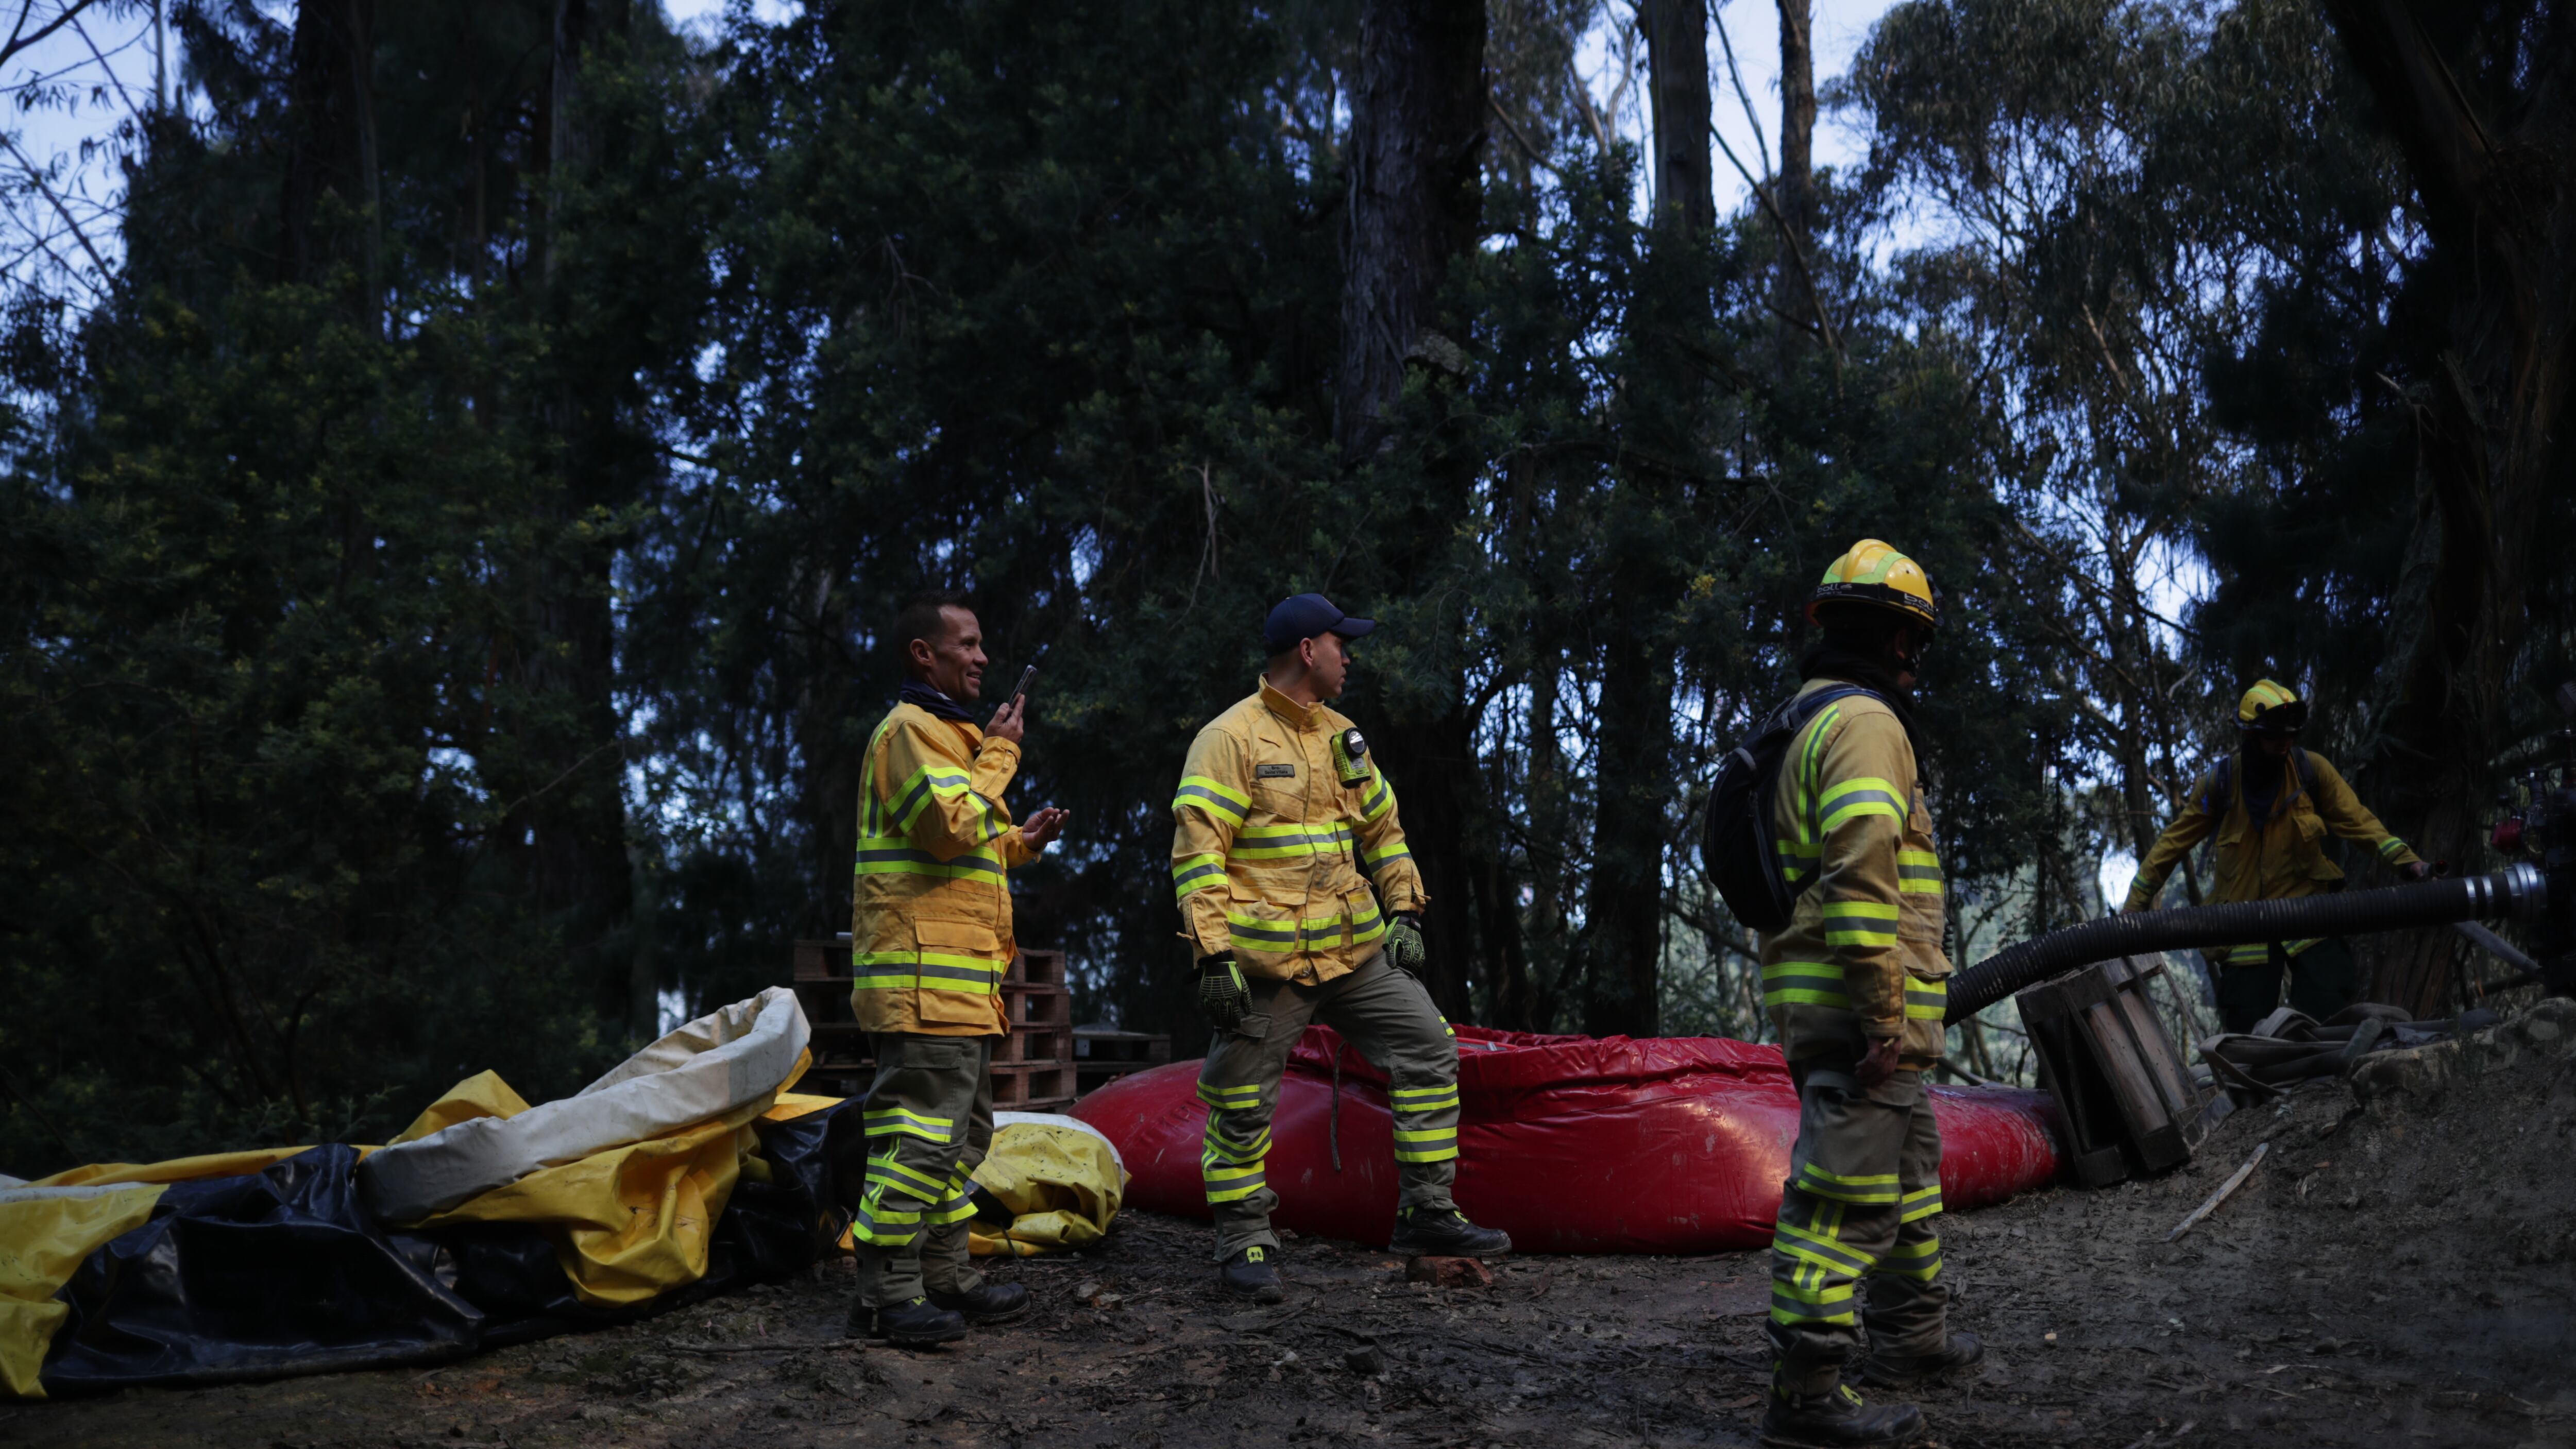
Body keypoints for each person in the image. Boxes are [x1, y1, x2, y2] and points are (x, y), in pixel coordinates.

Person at [1168, 592, 1512, 1303]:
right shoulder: (1229, 739)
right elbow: (1199, 857)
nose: (1348, 655)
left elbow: (1383, 829)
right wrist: (1212, 955)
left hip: (1353, 949)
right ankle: (1243, 1241)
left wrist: (1406, 911)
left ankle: (1426, 1212)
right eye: (1339, 642)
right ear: (1306, 651)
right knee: (1240, 1100)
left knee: (1428, 1047)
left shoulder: (1343, 736)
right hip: (1270, 965)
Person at [1756, 540, 1981, 1449]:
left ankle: (1910, 1338)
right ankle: (1805, 1391)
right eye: (1910, 643)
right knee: (1844, 1198)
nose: (1914, 664)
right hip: (1860, 1015)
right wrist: (1885, 1012)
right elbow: (1861, 875)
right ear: (1892, 639)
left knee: (1911, 1170)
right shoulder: (1865, 724)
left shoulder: (1806, 718)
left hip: (1851, 1008)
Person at [840, 591, 1069, 1348]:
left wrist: (1022, 843)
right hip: (920, 987)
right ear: (924, 655)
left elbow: (968, 843)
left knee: (959, 1144)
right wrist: (1000, 755)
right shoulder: (910, 731)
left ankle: (944, 1276)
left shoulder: (946, 738)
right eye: (967, 644)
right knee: (916, 1145)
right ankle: (886, 1294)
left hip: (961, 991)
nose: (982, 658)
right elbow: (947, 828)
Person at [2121, 678, 2429, 1034]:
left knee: (2332, 1017)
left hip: (2311, 915)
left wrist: (2410, 863)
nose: (2284, 745)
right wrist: (2134, 906)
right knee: (2246, 1035)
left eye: (2290, 736)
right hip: (2243, 923)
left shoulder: (2311, 771)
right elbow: (2172, 844)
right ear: (2250, 736)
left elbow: (2361, 824)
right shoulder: (2220, 784)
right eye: (2274, 737)